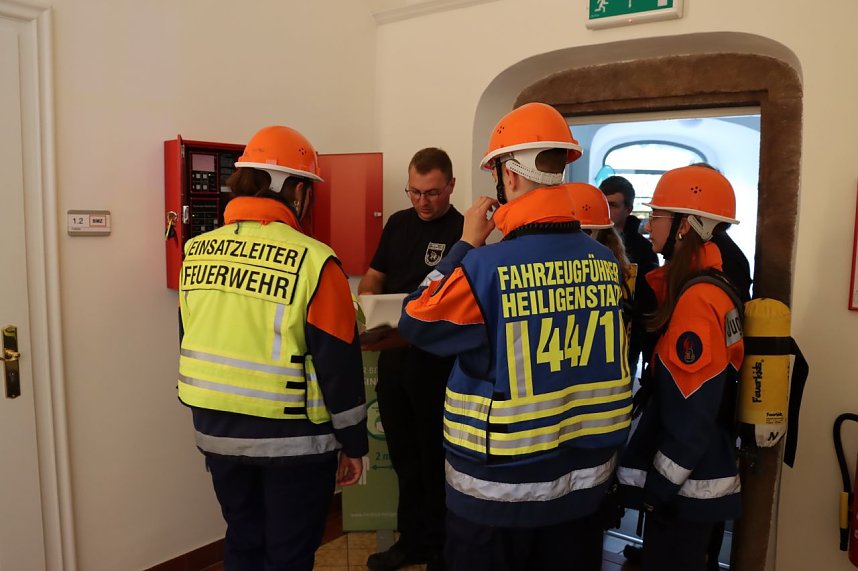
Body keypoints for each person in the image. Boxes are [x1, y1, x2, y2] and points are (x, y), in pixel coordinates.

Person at [398, 103, 632, 571]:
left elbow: (415, 320)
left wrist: (465, 244)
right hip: (581, 490)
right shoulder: (606, 264)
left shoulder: (485, 268)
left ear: (508, 176)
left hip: (495, 498)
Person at [177, 125, 368, 571]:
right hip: (293, 443)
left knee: (243, 540)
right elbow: (338, 365)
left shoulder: (196, 252)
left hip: (216, 432)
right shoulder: (315, 260)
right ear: (297, 191)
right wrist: (354, 444)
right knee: (289, 553)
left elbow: (189, 336)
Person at [616, 165, 745, 571]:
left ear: (685, 227)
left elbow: (691, 416)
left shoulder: (696, 302)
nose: (649, 223)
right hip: (698, 484)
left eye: (658, 215)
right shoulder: (708, 283)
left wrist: (658, 488)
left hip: (687, 489)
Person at [360, 148, 463, 571]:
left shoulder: (464, 232)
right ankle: (412, 541)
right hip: (393, 361)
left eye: (433, 193)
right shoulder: (399, 224)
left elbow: (457, 308)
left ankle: (443, 548)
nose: (423, 202)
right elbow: (374, 274)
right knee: (404, 458)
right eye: (415, 192)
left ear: (451, 187)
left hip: (436, 366)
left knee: (435, 460)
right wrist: (365, 303)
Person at [600, 176, 659, 374]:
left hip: (628, 338)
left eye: (613, 205)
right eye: (603, 204)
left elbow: (649, 301)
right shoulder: (587, 241)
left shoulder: (644, 249)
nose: (607, 210)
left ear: (628, 209)